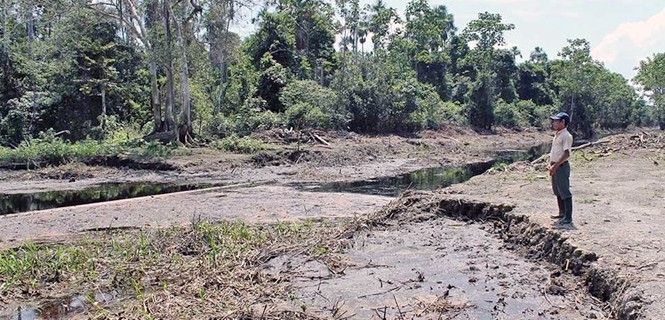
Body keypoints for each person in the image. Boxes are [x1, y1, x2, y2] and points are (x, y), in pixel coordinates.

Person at [548, 112, 573, 226]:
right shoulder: (558, 134)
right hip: (555, 166)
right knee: (558, 191)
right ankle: (561, 213)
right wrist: (551, 164)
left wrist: (556, 165)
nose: (553, 123)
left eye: (556, 121)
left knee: (564, 191)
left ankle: (568, 217)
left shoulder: (566, 136)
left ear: (563, 122)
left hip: (561, 167)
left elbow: (566, 154)